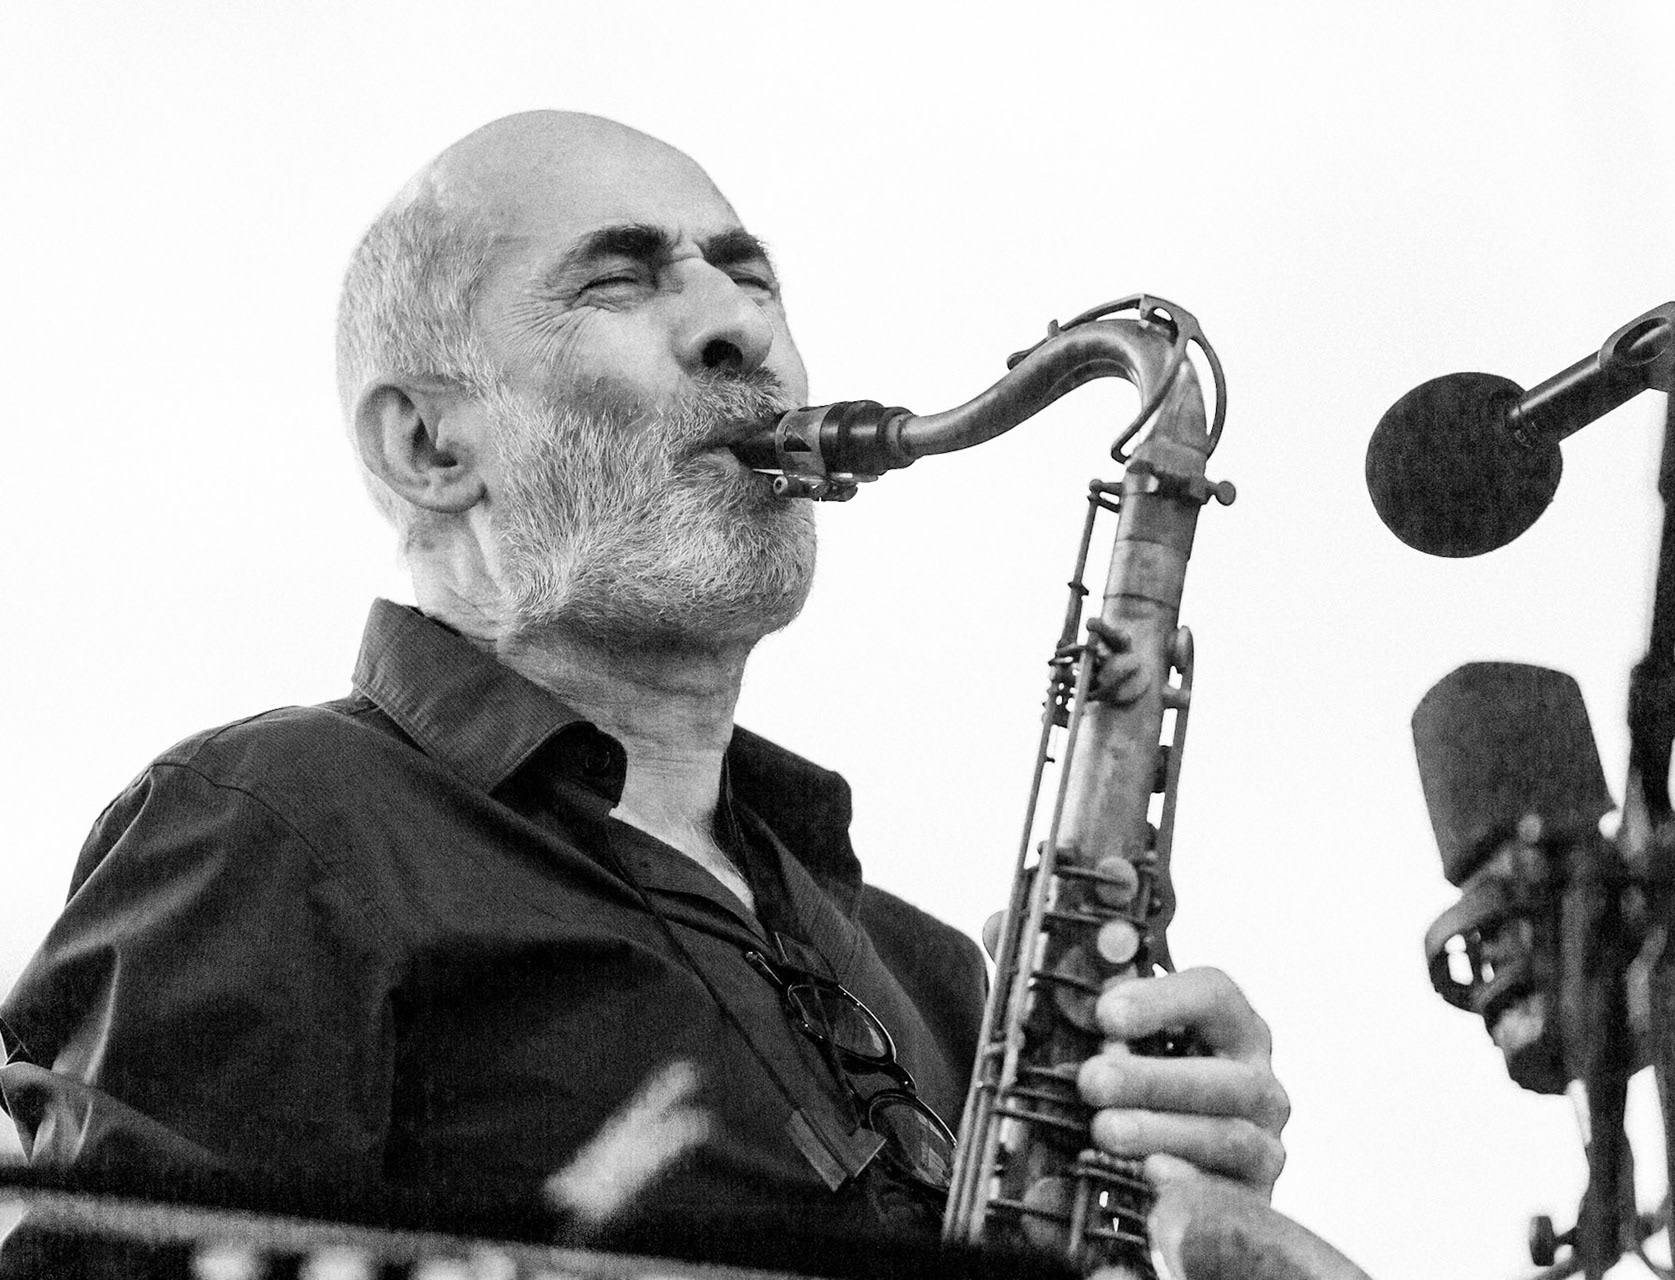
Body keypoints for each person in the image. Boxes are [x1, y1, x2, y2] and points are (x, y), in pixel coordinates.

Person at [0, 111, 1327, 1277]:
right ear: (427, 443)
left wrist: (1172, 1218)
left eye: (754, 279)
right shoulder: (274, 828)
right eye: (621, 281)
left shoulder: (933, 978)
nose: (741, 326)